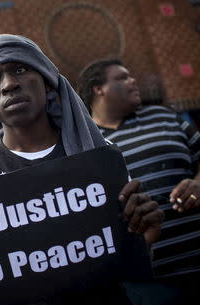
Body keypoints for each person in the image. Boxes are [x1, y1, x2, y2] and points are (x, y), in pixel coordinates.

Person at [0, 34, 164, 305]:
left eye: (20, 69)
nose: (9, 84)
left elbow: (130, 252)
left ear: (48, 82)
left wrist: (146, 230)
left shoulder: (101, 156)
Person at [77, 59, 200, 304]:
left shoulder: (164, 116)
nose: (133, 81)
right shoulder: (85, 145)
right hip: (149, 283)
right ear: (98, 89)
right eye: (122, 77)